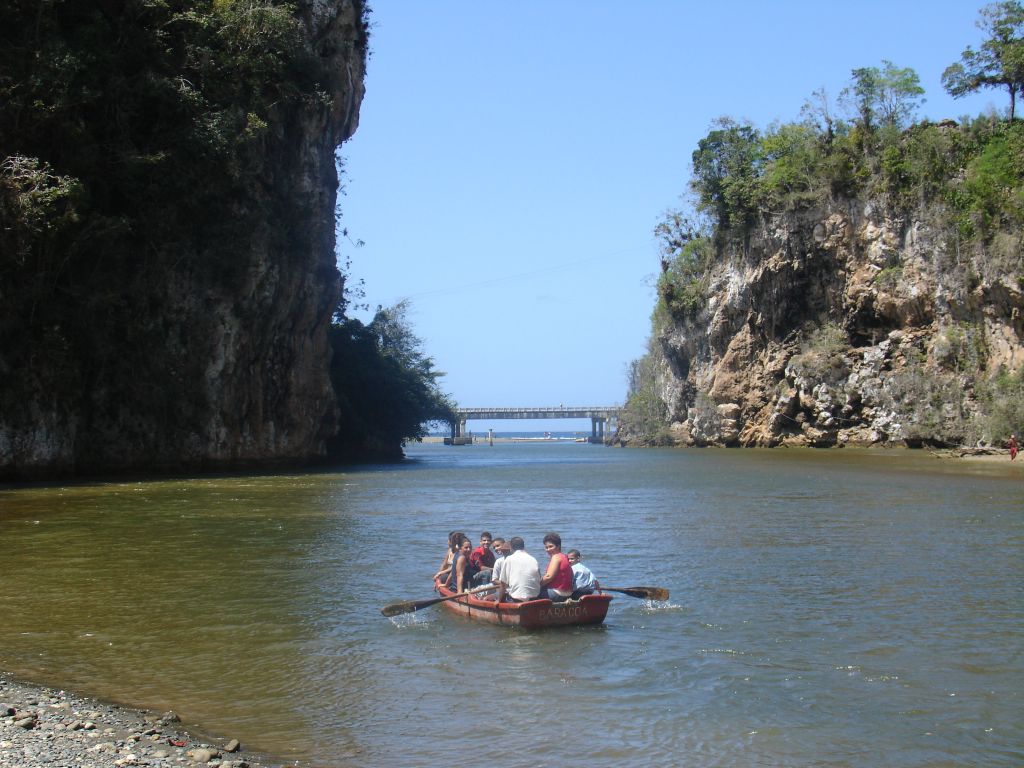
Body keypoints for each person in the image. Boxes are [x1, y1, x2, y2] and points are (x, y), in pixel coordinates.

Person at [495, 536, 541, 603]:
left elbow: (503, 584)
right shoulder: (533, 559)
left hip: (516, 599)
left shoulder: (509, 559)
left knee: (496, 596)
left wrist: (499, 600)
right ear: (523, 547)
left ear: (511, 548)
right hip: (534, 598)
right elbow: (539, 579)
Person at [539, 532, 573, 603]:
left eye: (551, 546)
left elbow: (549, 577)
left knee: (531, 593)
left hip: (557, 594)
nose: (548, 549)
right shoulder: (564, 557)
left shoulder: (556, 557)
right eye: (546, 547)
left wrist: (536, 584)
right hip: (568, 594)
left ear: (558, 546)